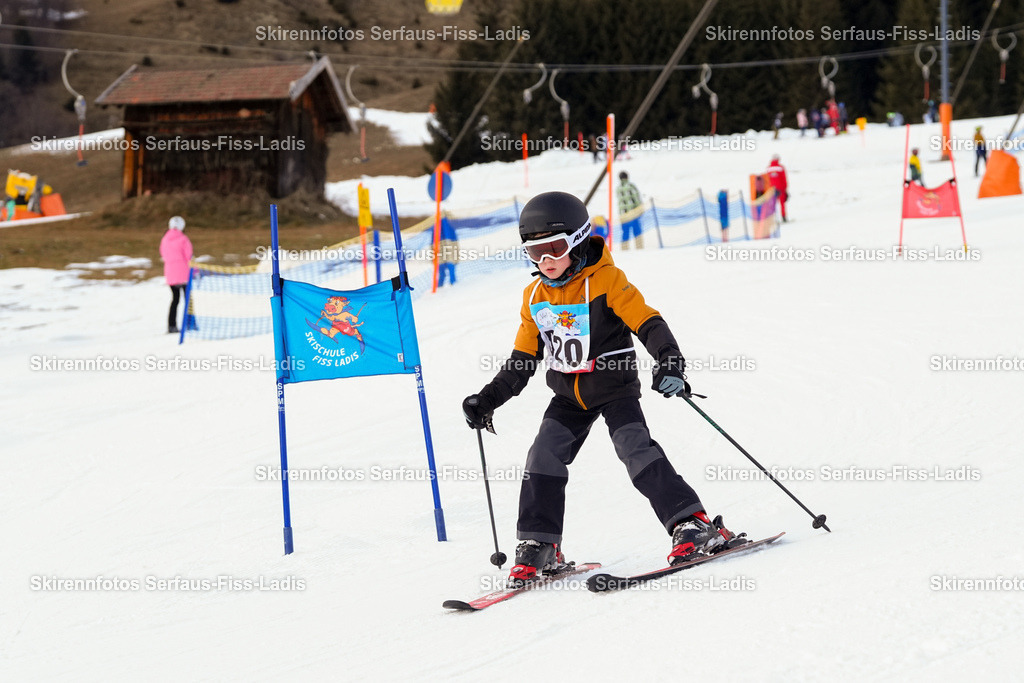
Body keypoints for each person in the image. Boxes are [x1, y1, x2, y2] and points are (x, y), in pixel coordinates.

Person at [462, 191, 727, 587]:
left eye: (554, 248)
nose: (546, 262)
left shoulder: (607, 280)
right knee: (543, 455)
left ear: (580, 239)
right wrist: (488, 399)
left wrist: (670, 362)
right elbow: (523, 358)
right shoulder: (535, 297)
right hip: (568, 396)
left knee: (634, 449)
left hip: (614, 387)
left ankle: (692, 523)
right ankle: (540, 543)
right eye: (535, 254)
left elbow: (648, 322)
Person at [159, 216, 193, 334]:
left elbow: (163, 254)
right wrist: (196, 270)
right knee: (188, 299)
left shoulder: (164, 239)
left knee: (175, 300)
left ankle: (171, 325)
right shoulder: (184, 239)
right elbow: (189, 256)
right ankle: (190, 323)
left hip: (171, 274)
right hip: (184, 274)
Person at [616, 171, 644, 249]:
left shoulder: (618, 188)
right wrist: (640, 209)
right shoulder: (631, 186)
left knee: (625, 232)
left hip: (623, 215)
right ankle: (639, 247)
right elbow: (636, 198)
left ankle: (624, 249)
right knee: (637, 231)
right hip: (632, 213)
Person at [437, 216, 459, 287]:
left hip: (449, 246)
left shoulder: (449, 226)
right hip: (441, 247)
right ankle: (441, 284)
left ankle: (452, 282)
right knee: (442, 269)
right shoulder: (437, 227)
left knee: (450, 265)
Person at [766, 155, 788, 222]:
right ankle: (783, 217)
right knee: (782, 204)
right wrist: (785, 188)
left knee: (773, 204)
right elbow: (784, 179)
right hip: (781, 188)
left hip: (772, 189)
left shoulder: (768, 168)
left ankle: (773, 219)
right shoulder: (780, 168)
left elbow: (767, 180)